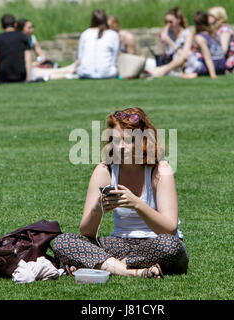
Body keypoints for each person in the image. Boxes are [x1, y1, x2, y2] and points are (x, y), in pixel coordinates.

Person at [52, 107, 189, 278]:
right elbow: (87, 232)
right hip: (120, 243)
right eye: (116, 141)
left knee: (171, 246)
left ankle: (104, 265)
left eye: (129, 140)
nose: (122, 146)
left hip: (156, 243)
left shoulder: (160, 169)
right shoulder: (105, 170)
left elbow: (169, 229)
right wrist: (98, 208)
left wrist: (137, 204)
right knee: (63, 242)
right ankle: (133, 271)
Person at [146, 6, 193, 78]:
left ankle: (162, 71)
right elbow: (160, 55)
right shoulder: (168, 33)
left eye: (170, 22)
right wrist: (161, 41)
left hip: (179, 62)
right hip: (167, 61)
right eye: (166, 22)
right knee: (146, 62)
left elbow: (185, 55)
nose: (168, 24)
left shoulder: (187, 33)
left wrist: (169, 41)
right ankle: (162, 71)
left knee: (182, 58)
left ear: (178, 20)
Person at [75, 10, 120, 79]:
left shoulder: (85, 34)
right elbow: (114, 57)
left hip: (84, 73)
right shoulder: (113, 34)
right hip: (108, 73)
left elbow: (80, 56)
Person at [183, 11, 226, 79]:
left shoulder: (200, 37)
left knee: (189, 54)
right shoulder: (214, 32)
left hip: (213, 66)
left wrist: (213, 75)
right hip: (222, 66)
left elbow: (207, 57)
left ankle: (193, 73)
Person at [0, 14, 32, 83]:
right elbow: (28, 59)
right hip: (21, 76)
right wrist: (29, 78)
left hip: (3, 77)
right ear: (15, 24)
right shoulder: (23, 37)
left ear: (1, 25)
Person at [208, 6, 234, 73]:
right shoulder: (216, 30)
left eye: (211, 15)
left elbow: (223, 50)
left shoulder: (224, 30)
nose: (208, 17)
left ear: (218, 17)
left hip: (226, 64)